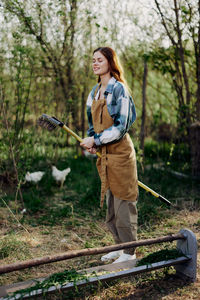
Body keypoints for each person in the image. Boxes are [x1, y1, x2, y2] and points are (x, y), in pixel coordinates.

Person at [80, 47, 138, 263]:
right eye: (93, 60)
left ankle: (130, 252)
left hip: (121, 154)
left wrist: (96, 140)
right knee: (111, 202)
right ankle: (119, 246)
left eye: (100, 60)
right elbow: (92, 125)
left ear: (110, 63)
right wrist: (92, 141)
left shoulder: (119, 89)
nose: (95, 63)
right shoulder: (94, 92)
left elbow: (121, 127)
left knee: (124, 201)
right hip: (104, 154)